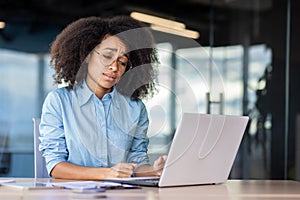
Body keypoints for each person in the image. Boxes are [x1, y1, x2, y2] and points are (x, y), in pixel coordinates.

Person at [39, 15, 167, 180]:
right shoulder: (59, 101)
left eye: (122, 62)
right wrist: (107, 174)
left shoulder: (135, 108)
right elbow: (55, 165)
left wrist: (153, 169)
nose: (114, 67)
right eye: (107, 56)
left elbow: (135, 163)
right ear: (87, 56)